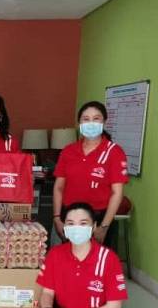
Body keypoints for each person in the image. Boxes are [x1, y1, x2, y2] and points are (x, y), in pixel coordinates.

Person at [53, 101, 129, 247]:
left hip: (99, 219)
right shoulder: (68, 151)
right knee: (66, 258)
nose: (91, 123)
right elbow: (58, 187)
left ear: (104, 122)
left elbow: (117, 193)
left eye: (96, 118)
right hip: (69, 218)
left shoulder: (114, 152)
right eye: (86, 119)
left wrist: (104, 227)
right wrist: (57, 218)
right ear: (79, 123)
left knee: (96, 260)